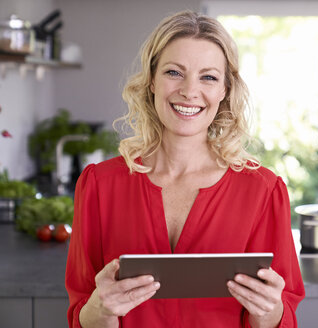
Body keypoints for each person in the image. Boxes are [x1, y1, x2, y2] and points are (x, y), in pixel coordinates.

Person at [65, 10, 305, 328]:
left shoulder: (263, 190)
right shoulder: (99, 184)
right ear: (152, 80)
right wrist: (102, 308)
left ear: (225, 90)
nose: (190, 91)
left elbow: (281, 317)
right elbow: (81, 313)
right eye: (174, 72)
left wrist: (267, 310)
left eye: (208, 77)